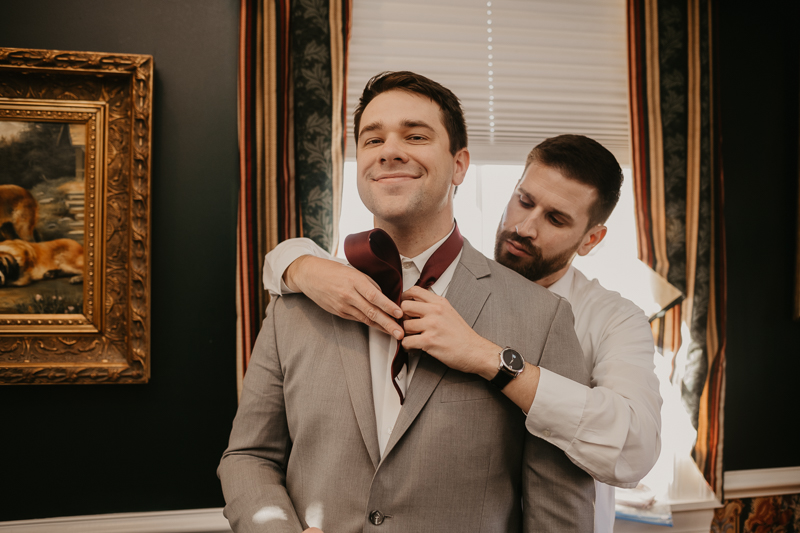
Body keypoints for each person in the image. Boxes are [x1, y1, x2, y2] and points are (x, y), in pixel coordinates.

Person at [219, 72, 595, 532]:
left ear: (459, 165)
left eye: (415, 135)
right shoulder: (294, 305)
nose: (389, 150)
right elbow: (248, 456)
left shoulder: (543, 317)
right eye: (372, 138)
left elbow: (558, 506)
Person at [263, 134, 663, 532]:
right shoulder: (454, 276)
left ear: (591, 239)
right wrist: (295, 265)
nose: (525, 227)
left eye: (555, 219)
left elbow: (636, 448)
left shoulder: (613, 318)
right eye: (523, 201)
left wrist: (490, 358)